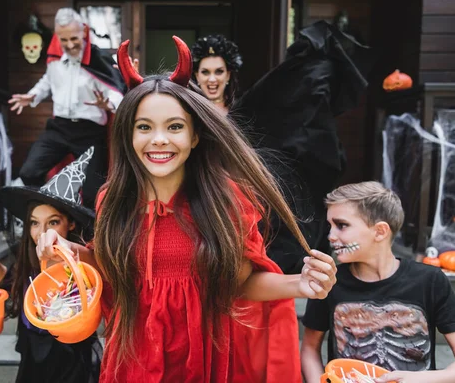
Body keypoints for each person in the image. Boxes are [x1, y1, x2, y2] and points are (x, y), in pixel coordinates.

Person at [37, 36, 338, 382]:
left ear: (195, 136)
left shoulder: (226, 201)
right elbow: (109, 270)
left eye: (175, 127)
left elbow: (240, 283)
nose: (159, 139)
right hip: (133, 362)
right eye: (144, 127)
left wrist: (301, 284)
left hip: (204, 361)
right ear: (128, 137)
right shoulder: (112, 200)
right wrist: (65, 251)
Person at [190, 23, 375, 274]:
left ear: (229, 74)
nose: (212, 79)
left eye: (218, 71)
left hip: (242, 198)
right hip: (204, 197)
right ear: (196, 75)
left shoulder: (251, 111)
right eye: (205, 72)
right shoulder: (188, 114)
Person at [300, 181, 455, 383]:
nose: (331, 236)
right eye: (330, 226)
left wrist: (426, 379)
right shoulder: (329, 281)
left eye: (342, 225)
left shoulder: (430, 281)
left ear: (380, 231)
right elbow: (309, 348)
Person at [0, 149, 102, 383]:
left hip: (69, 354)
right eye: (34, 223)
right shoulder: (28, 256)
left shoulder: (79, 260)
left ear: (70, 224)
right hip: (33, 353)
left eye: (53, 222)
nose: (42, 232)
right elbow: (14, 288)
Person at [9, 7, 126, 208]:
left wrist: (108, 104)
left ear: (84, 33)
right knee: (29, 173)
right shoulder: (55, 59)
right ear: (57, 37)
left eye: (74, 38)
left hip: (90, 132)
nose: (70, 44)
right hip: (59, 129)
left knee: (93, 193)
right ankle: (49, 211)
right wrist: (33, 96)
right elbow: (48, 81)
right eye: (64, 40)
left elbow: (116, 92)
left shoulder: (97, 60)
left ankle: (88, 234)